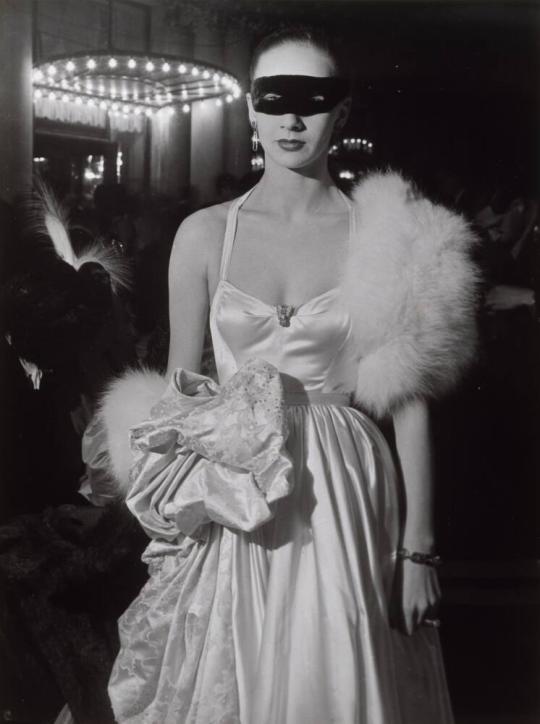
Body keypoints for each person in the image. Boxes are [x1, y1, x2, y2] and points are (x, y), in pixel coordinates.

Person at [102, 26, 478, 724]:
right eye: (276, 99)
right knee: (227, 676)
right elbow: (182, 391)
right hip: (237, 486)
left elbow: (411, 401)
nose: (293, 118)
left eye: (314, 100)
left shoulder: (383, 232)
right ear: (252, 109)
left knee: (333, 671)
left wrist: (420, 552)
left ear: (344, 112)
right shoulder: (205, 234)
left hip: (344, 490)